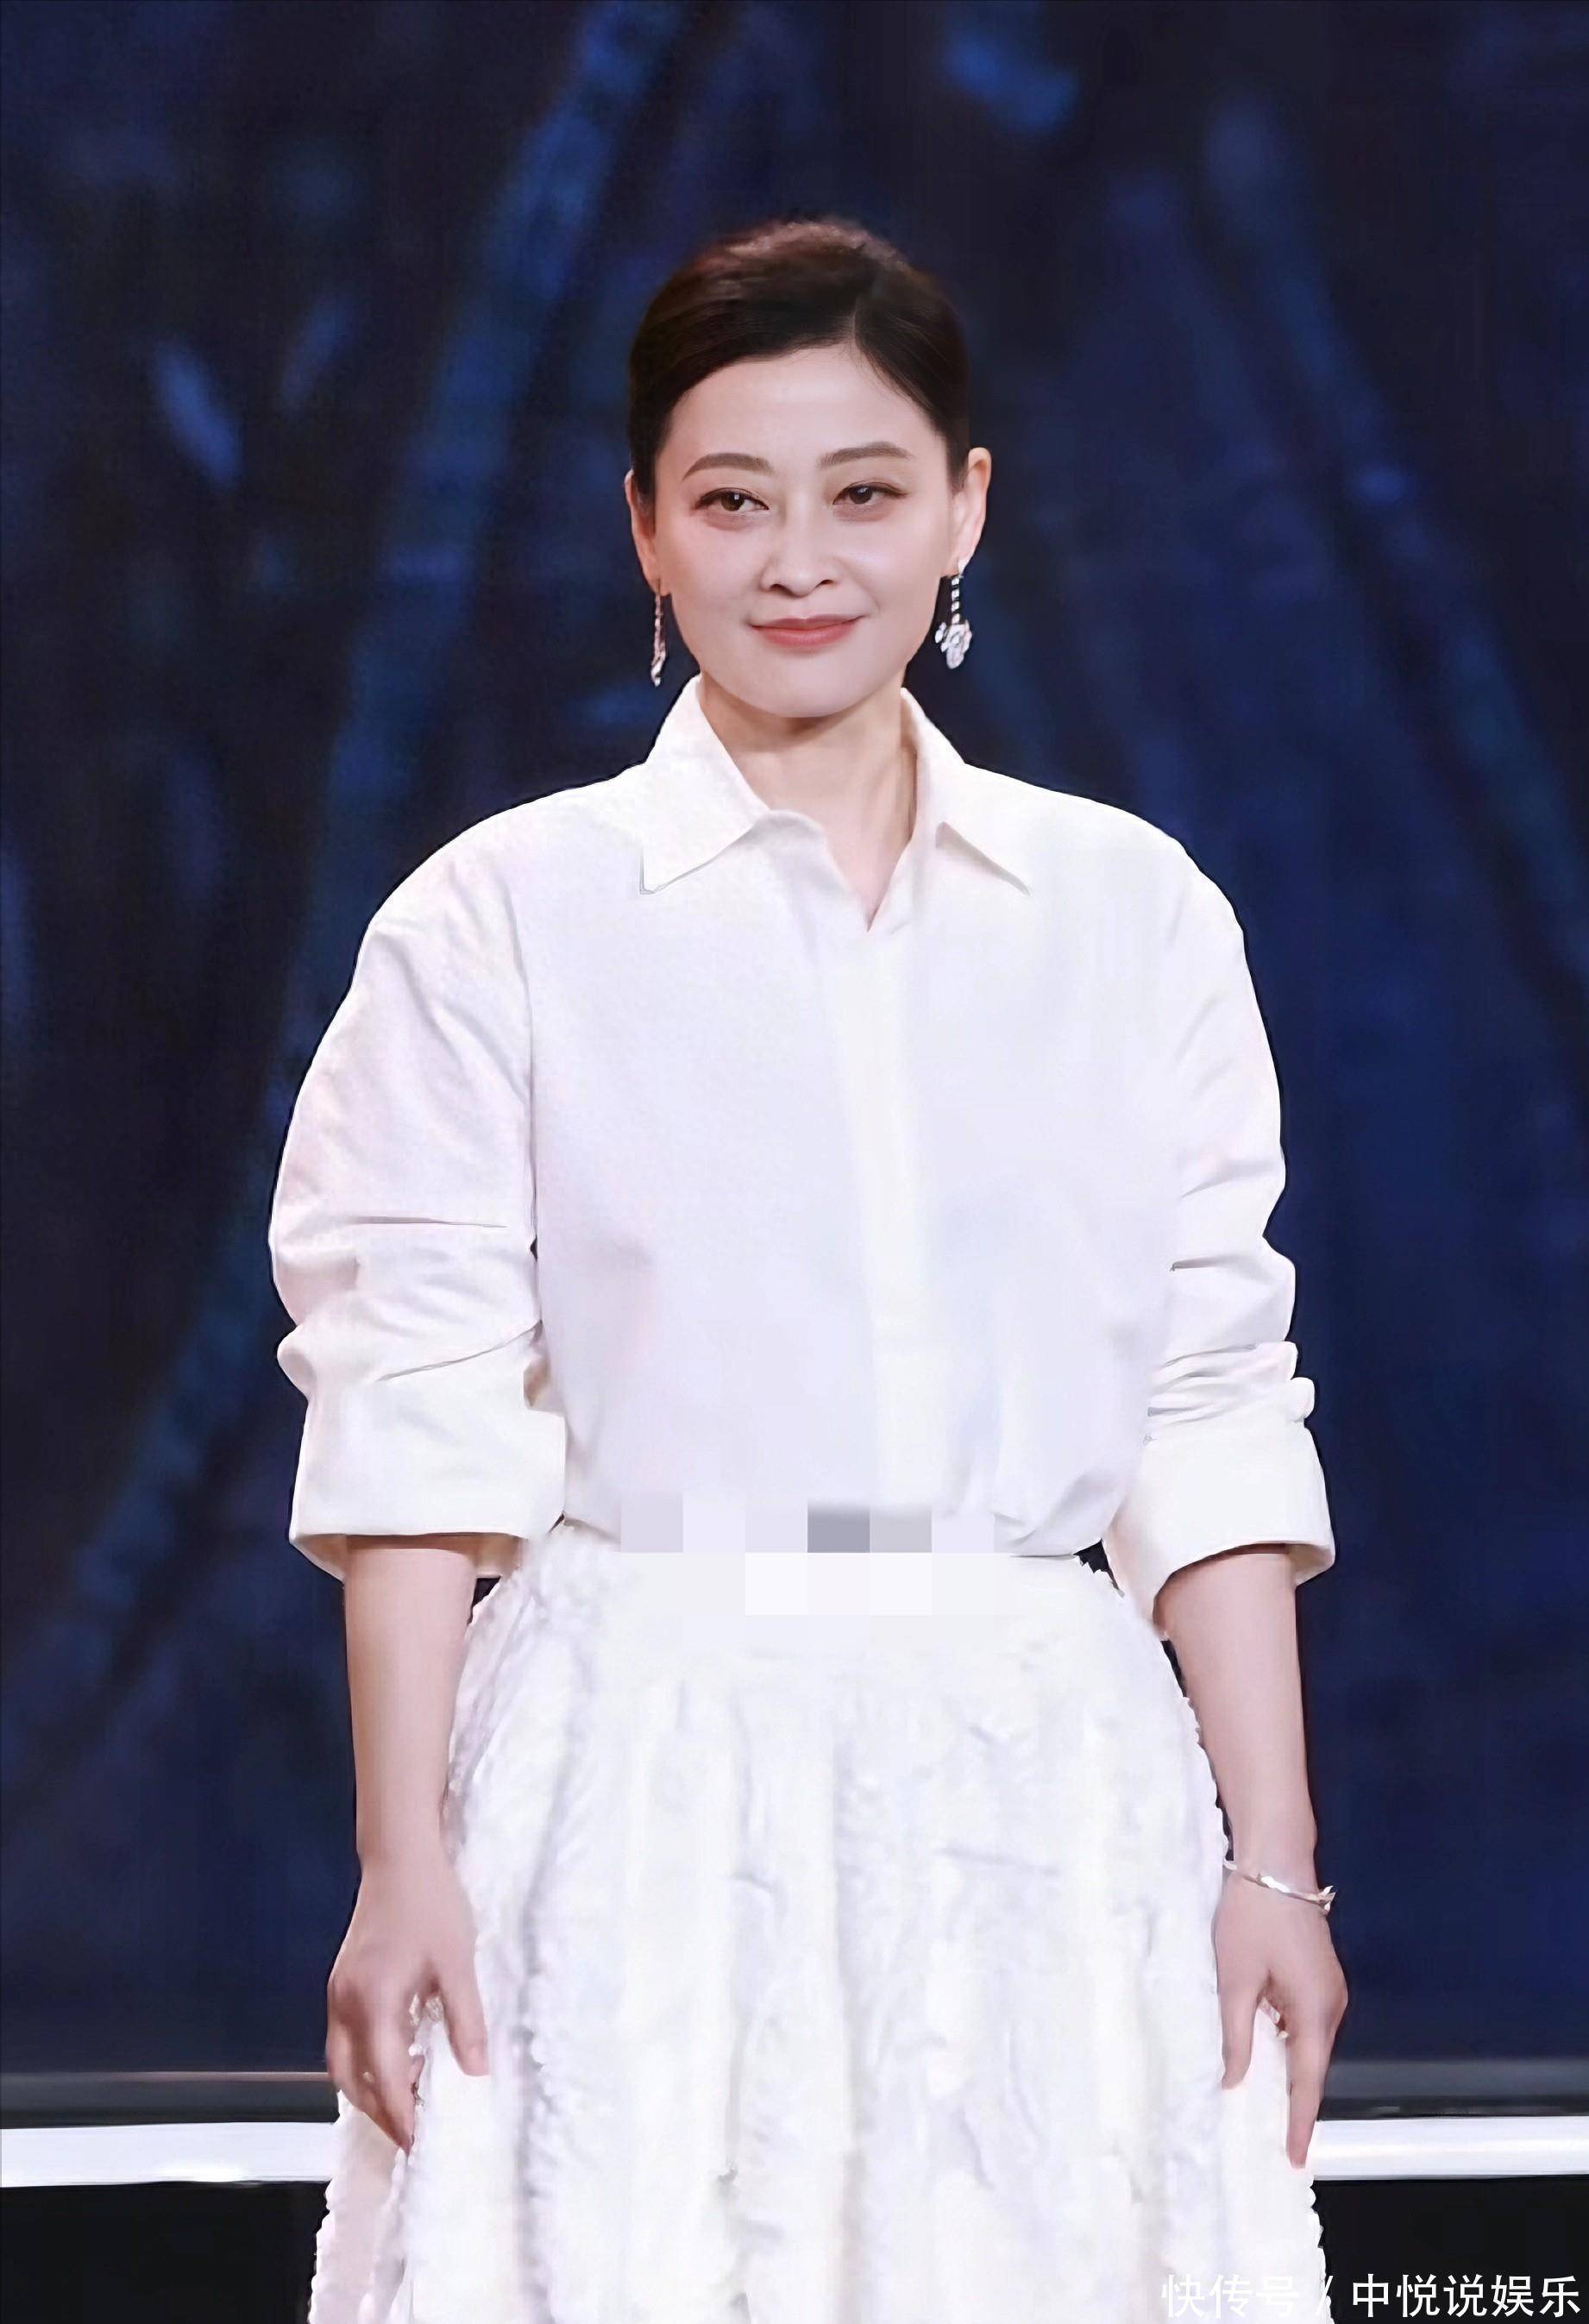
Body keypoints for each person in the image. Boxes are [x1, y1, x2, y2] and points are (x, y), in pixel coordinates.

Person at [269, 214, 1347, 2324]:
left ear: (964, 509)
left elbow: (1207, 1403)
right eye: (733, 502)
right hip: (639, 1759)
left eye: (863, 494)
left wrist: (1275, 1867)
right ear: (646, 532)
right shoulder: (503, 920)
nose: (801, 562)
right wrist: (406, 1866)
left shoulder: (1126, 915)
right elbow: (415, 1423)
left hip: (1041, 1780)